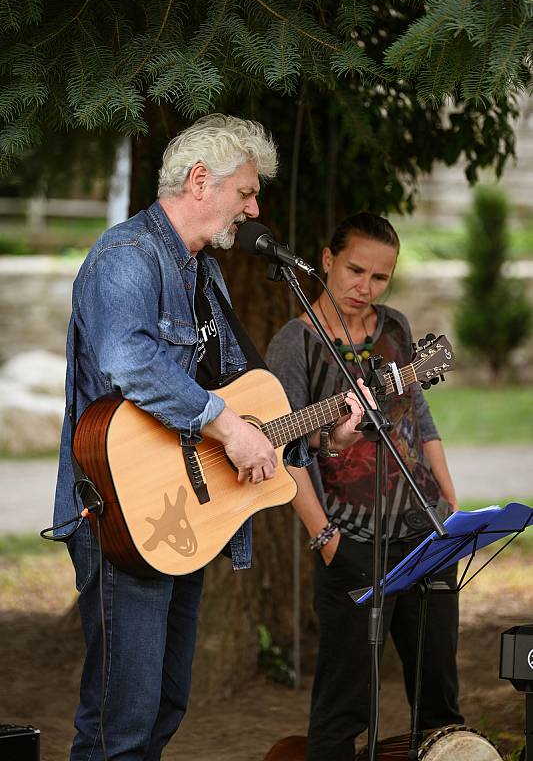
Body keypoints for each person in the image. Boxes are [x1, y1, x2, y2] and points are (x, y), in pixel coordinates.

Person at [52, 114, 367, 761]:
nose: (255, 209)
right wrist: (224, 426)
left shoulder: (204, 275)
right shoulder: (124, 259)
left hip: (187, 516)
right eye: (246, 192)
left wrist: (321, 434)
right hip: (123, 510)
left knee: (164, 706)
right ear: (201, 181)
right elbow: (129, 361)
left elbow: (244, 399)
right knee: (120, 724)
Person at [266, 213, 464, 761]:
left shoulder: (394, 326)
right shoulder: (294, 345)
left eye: (380, 277)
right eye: (355, 270)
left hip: (425, 529)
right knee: (344, 706)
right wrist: (324, 536)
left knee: (439, 698)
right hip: (350, 540)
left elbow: (419, 420)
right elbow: (284, 453)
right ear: (327, 260)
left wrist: (449, 502)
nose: (365, 288)